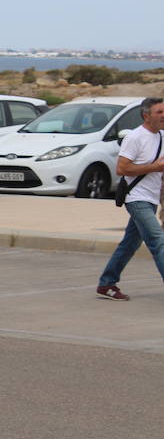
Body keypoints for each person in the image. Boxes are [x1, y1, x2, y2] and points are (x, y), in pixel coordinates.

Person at [97, 97, 164, 301]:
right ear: (146, 115)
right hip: (136, 198)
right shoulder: (135, 137)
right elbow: (122, 168)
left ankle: (107, 283)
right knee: (158, 241)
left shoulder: (162, 136)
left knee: (130, 243)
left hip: (151, 199)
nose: (163, 116)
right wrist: (154, 167)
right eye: (159, 112)